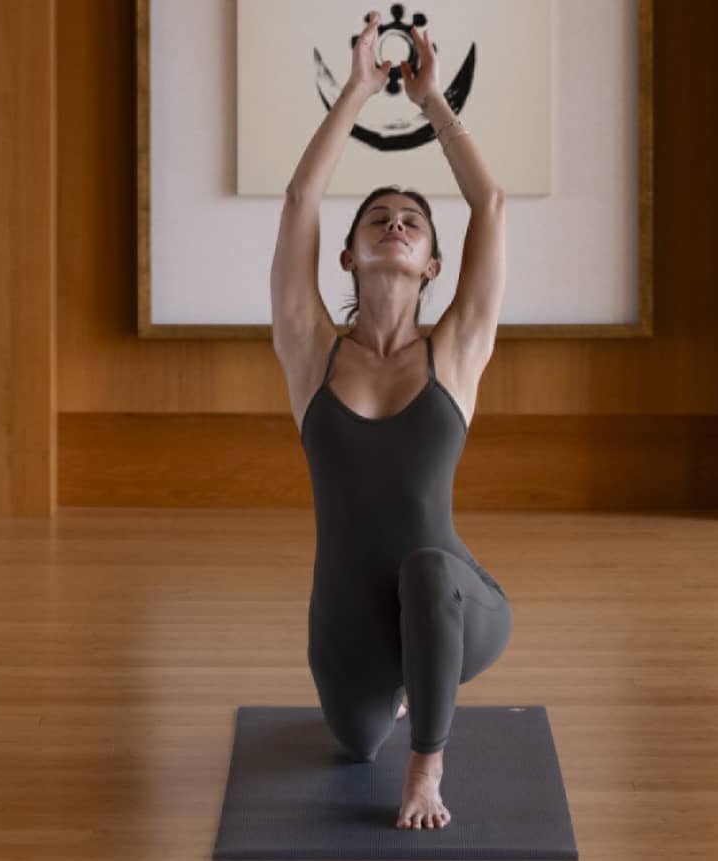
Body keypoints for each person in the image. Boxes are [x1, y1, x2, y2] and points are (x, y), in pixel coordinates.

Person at [268, 10, 510, 832]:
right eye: (379, 216)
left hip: (453, 600)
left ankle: (427, 765)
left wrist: (433, 100)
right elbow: (303, 195)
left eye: (413, 219)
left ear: (434, 263)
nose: (397, 221)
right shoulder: (311, 353)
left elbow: (490, 201)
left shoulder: (458, 353)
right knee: (350, 744)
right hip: (346, 635)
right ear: (347, 255)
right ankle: (398, 687)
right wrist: (361, 91)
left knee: (428, 570)